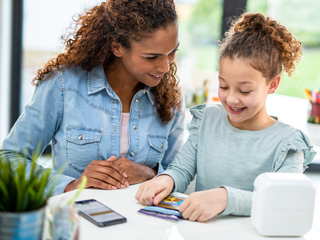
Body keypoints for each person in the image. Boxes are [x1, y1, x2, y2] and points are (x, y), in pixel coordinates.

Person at [135, 12, 316, 222]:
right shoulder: (207, 120)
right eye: (223, 86)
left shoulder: (288, 143)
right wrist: (166, 179)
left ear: (272, 84)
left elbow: (286, 201)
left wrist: (226, 198)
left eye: (245, 91)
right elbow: (182, 168)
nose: (231, 99)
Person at [1, 0, 185, 195]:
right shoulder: (64, 85)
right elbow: (9, 158)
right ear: (117, 47)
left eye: (172, 52)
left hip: (144, 224)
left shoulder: (170, 98)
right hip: (76, 220)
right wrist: (71, 185)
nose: (165, 67)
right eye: (151, 57)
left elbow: (180, 173)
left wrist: (151, 174)